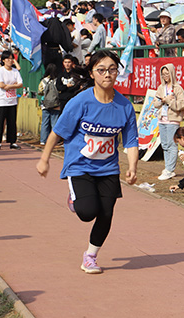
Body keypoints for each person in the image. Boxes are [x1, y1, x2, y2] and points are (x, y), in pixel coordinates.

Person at [36, 50, 139, 274]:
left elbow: (131, 141)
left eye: (112, 69)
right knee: (87, 212)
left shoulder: (124, 106)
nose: (107, 74)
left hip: (108, 168)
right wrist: (44, 159)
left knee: (106, 213)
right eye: (101, 70)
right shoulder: (80, 102)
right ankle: (74, 199)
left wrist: (132, 167)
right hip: (80, 166)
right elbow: (58, 132)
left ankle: (90, 256)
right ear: (92, 74)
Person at [152, 63, 184, 181]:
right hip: (162, 119)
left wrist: (169, 101)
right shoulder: (161, 88)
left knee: (172, 144)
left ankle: (170, 169)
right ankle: (168, 168)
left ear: (172, 73)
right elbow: (155, 103)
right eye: (163, 74)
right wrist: (163, 100)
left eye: (167, 74)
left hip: (173, 120)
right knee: (165, 145)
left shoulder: (178, 89)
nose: (165, 76)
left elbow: (181, 105)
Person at [0, 50, 23, 150]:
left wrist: (9, 86)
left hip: (12, 101)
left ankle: (12, 141)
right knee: (0, 122)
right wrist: (13, 85)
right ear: (3, 60)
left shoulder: (15, 71)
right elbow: (1, 85)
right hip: (2, 101)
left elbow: (20, 84)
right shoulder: (0, 71)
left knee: (12, 122)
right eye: (8, 59)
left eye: (12, 59)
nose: (10, 61)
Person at [38, 63, 60, 145]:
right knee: (54, 122)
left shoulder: (44, 80)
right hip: (55, 104)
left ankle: (43, 140)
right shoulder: (57, 80)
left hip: (45, 104)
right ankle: (54, 141)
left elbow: (40, 91)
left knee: (44, 123)